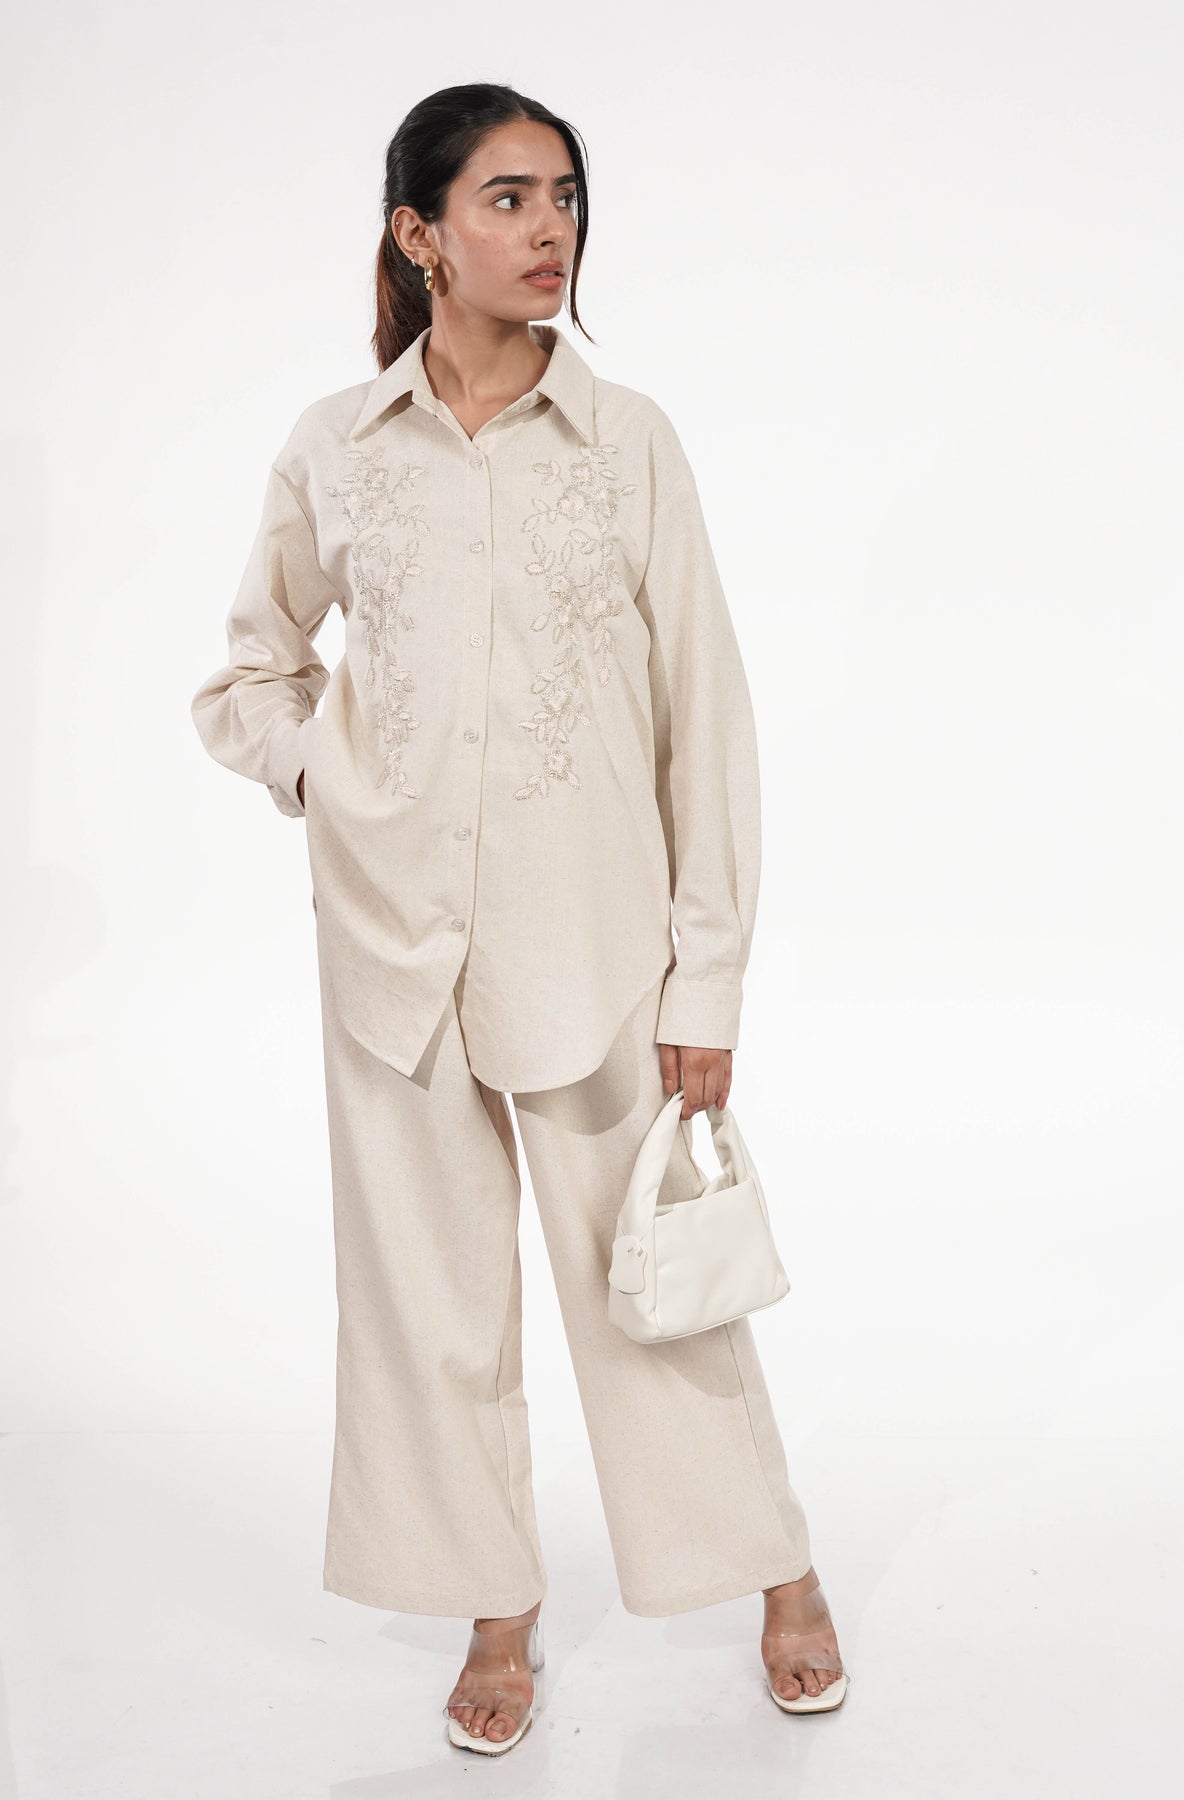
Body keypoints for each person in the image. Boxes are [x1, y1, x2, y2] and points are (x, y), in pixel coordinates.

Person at [191, 81, 847, 1755]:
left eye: (563, 195)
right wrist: (322, 776)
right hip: (389, 956)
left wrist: (707, 981)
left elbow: (708, 720)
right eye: (506, 198)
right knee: (427, 1313)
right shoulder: (336, 447)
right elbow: (249, 672)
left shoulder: (629, 444)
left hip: (596, 957)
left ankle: (775, 1569)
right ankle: (497, 1604)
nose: (549, 228)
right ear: (419, 234)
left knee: (655, 1290)